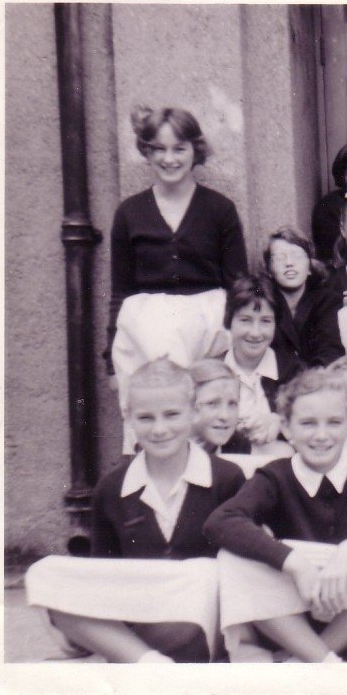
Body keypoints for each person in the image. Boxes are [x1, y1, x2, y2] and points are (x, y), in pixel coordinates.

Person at [25, 360, 247, 662]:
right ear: (128, 417)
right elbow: (106, 574)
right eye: (146, 418)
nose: (159, 429)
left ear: (193, 412)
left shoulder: (226, 478)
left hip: (201, 617)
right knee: (44, 574)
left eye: (171, 415)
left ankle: (122, 650)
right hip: (136, 612)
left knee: (204, 574)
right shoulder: (111, 488)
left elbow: (240, 572)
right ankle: (149, 662)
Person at [203, 368, 347, 662]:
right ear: (286, 428)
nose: (321, 435)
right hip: (292, 598)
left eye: (334, 422)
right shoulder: (276, 475)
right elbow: (220, 522)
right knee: (232, 560)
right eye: (308, 423)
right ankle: (326, 663)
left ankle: (304, 659)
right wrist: (293, 562)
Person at [107, 106, 248, 451]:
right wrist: (109, 356)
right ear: (147, 151)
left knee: (201, 417)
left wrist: (229, 334)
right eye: (159, 149)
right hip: (144, 330)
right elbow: (120, 291)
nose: (169, 159)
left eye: (179, 149)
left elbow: (238, 285)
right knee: (154, 420)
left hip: (206, 325)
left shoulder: (219, 210)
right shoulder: (129, 213)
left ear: (195, 151)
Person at [221, 275, 300, 450]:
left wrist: (279, 422)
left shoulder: (293, 371)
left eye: (265, 321)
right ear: (229, 321)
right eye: (245, 320)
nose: (255, 333)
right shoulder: (214, 370)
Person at [263, 227, 344, 370]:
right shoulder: (263, 300)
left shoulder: (326, 300)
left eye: (297, 256)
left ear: (309, 267)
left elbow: (330, 349)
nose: (289, 263)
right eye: (280, 257)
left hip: (315, 381)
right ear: (269, 270)